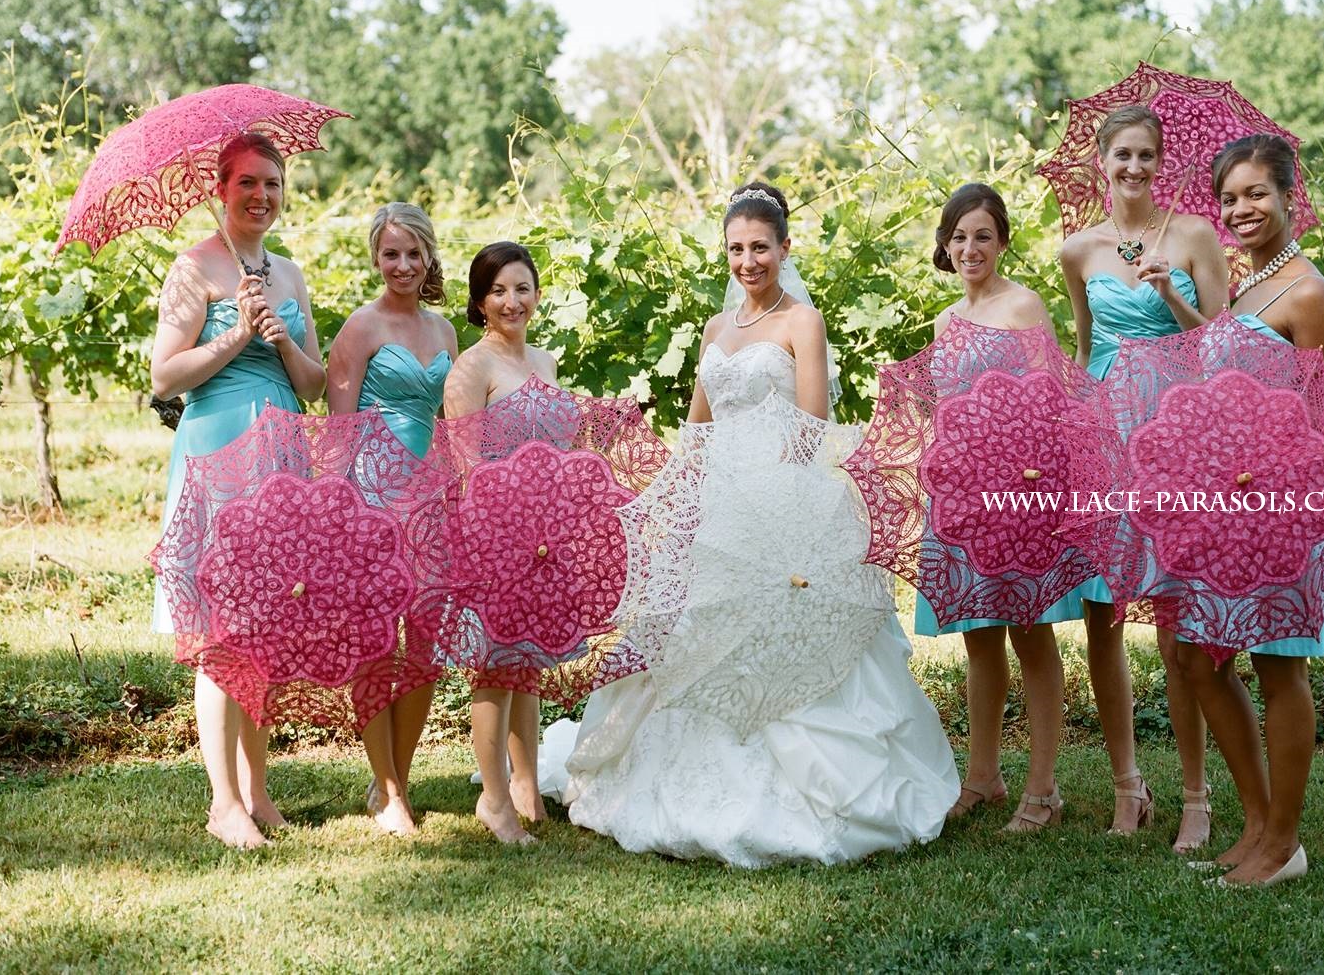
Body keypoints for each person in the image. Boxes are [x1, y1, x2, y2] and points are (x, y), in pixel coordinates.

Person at [558, 181, 959, 867]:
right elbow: (696, 431)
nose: (748, 261)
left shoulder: (801, 321)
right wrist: (673, 500)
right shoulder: (718, 330)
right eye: (736, 249)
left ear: (784, 247)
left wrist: (766, 497)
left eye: (760, 247)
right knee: (694, 636)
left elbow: (811, 428)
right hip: (718, 506)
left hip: (782, 503)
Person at [1175, 134, 1324, 885]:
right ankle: (1254, 819)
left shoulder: (1307, 293)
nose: (1241, 209)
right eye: (1230, 198)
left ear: (1288, 195)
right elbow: (1223, 366)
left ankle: (1284, 844)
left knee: (1281, 672)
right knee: (1197, 657)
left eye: (1256, 193)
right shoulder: (1248, 285)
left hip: (1280, 508)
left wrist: (1261, 469)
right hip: (1222, 502)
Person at [149, 132, 326, 849]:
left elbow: (313, 384)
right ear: (221, 188)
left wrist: (280, 337)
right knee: (222, 629)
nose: (261, 195)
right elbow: (165, 375)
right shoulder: (194, 267)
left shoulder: (288, 273)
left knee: (264, 626)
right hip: (219, 446)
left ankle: (258, 789)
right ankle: (223, 801)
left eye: (273, 183)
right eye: (248, 182)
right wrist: (232, 337)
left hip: (281, 447)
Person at [1059, 105, 1229, 848]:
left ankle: (1197, 795)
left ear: (1161, 163)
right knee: (1103, 613)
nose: (1134, 167)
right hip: (1102, 434)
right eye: (1122, 154)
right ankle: (1128, 785)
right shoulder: (1077, 250)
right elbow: (1086, 346)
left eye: (1146, 156)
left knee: (1173, 617)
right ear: (1102, 159)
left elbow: (1225, 342)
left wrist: (1169, 292)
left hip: (1176, 431)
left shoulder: (1192, 235)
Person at [922, 183, 1075, 830]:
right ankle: (981, 775)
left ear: (1003, 240)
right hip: (961, 494)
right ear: (945, 246)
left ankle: (1043, 789)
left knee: (1029, 636)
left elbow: (1055, 398)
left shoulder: (1024, 306)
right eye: (958, 236)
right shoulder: (944, 322)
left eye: (982, 235)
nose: (969, 247)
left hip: (1020, 492)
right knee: (978, 639)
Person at [326, 202, 456, 836]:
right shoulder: (361, 326)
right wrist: (338, 509)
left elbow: (448, 422)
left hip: (429, 493)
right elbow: (338, 426)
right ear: (376, 258)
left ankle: (398, 781)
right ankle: (389, 790)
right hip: (372, 494)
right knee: (377, 642)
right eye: (390, 254)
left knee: (426, 639)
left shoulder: (444, 331)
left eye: (412, 253)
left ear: (428, 256)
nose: (402, 265)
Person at [443, 241, 557, 845]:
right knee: (494, 666)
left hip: (543, 531)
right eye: (498, 292)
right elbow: (466, 469)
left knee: (526, 663)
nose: (512, 302)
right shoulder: (472, 370)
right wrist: (499, 536)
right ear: (480, 302)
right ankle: (493, 799)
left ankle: (526, 786)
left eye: (522, 288)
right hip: (494, 531)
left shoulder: (544, 361)